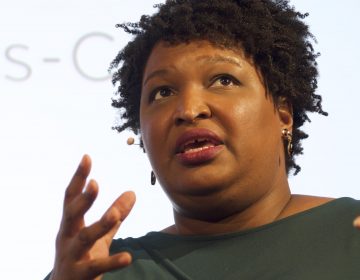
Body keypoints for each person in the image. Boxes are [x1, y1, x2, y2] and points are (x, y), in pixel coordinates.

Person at [45, 0, 360, 279]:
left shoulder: (351, 234)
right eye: (162, 92)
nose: (188, 110)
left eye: (224, 80)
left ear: (283, 114)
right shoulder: (103, 270)